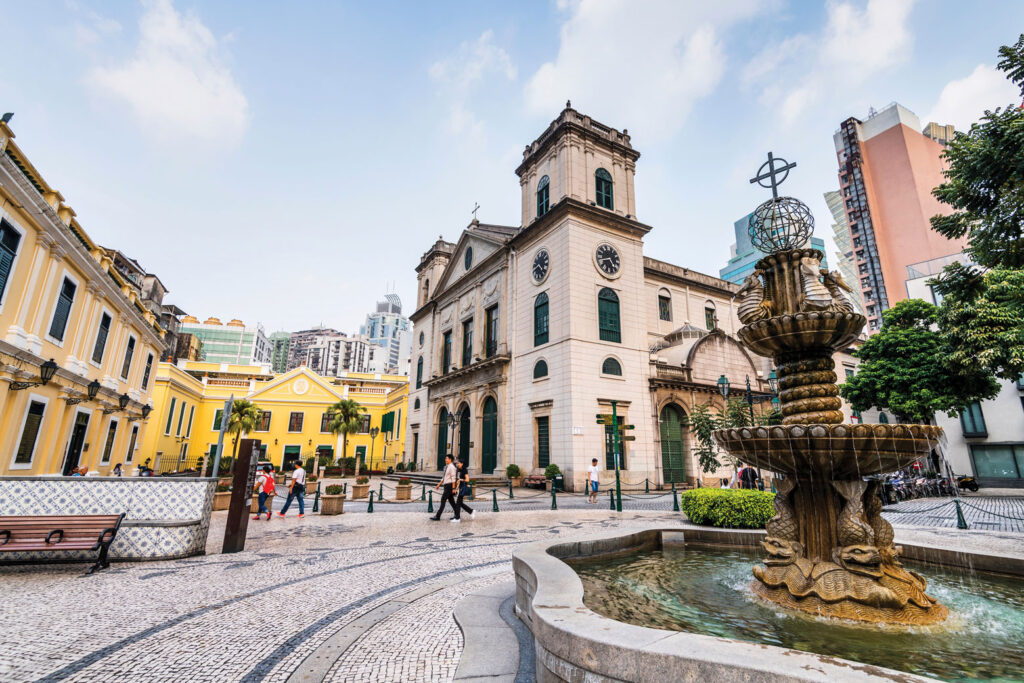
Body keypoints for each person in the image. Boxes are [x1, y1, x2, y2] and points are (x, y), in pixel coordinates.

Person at [430, 454, 459, 523]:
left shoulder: (451, 467)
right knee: (451, 501)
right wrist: (439, 484)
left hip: (449, 486)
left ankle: (438, 516)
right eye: (445, 458)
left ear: (450, 459)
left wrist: (453, 488)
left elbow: (453, 478)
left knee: (443, 500)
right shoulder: (447, 467)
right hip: (446, 485)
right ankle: (457, 514)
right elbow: (444, 477)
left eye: (447, 458)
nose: (445, 460)